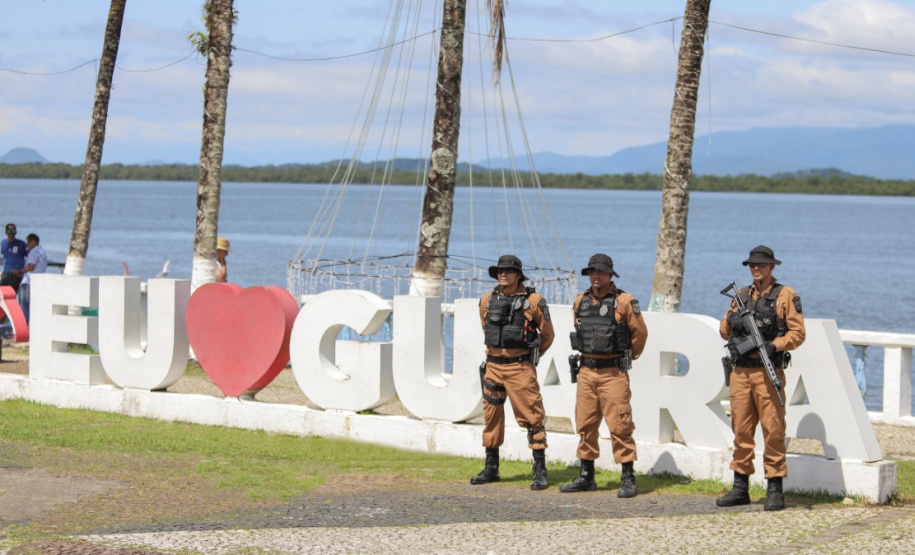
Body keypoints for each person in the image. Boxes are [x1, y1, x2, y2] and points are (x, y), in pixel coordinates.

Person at [716, 245, 805, 511]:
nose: (756, 269)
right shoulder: (741, 295)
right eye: (753, 265)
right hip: (741, 372)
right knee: (741, 430)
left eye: (761, 265)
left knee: (774, 430)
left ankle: (775, 488)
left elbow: (798, 334)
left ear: (772, 267)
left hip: (768, 372)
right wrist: (734, 318)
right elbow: (723, 331)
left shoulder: (785, 295)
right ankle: (740, 487)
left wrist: (774, 346)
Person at [559, 254, 648, 498]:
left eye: (600, 272)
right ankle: (587, 476)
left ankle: (628, 477)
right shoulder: (581, 302)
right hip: (586, 371)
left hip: (613, 373)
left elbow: (639, 335)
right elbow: (579, 329)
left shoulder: (625, 302)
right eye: (591, 272)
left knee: (620, 425)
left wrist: (625, 359)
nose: (596, 276)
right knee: (586, 424)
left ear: (610, 275)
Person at [471, 254, 555, 490]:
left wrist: (528, 358)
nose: (503, 274)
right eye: (500, 271)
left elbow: (547, 336)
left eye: (508, 271)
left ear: (519, 274)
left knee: (532, 417)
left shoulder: (535, 301)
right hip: (493, 366)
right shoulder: (487, 299)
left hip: (520, 368)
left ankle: (539, 469)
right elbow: (485, 328)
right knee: (491, 417)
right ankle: (492, 467)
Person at [14, 233, 48, 325]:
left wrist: (20, 271)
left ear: (33, 241)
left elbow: (31, 267)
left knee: (23, 306)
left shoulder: (34, 252)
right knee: (31, 306)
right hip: (37, 282)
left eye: (28, 242)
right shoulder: (42, 252)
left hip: (28, 283)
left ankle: (23, 326)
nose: (27, 245)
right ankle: (29, 326)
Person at [1, 223, 28, 292]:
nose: (11, 235)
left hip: (16, 274)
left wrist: (22, 271)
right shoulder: (3, 243)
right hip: (6, 273)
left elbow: (30, 259)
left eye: (13, 233)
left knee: (11, 294)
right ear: (6, 232)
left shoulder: (21, 244)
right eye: (9, 233)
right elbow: (5, 257)